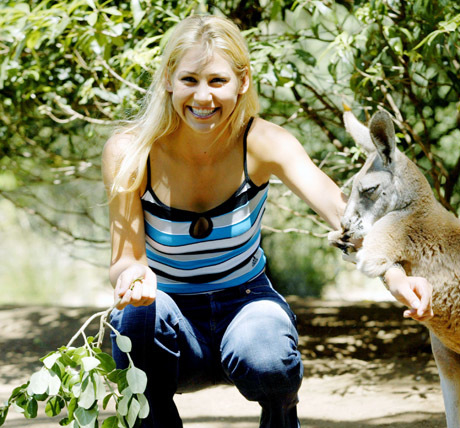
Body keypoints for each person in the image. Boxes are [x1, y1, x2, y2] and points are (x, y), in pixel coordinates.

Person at [102, 15, 434, 428]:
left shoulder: (266, 144)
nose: (203, 97)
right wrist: (132, 276)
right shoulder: (130, 151)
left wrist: (398, 279)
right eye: (190, 79)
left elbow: (343, 215)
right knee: (133, 323)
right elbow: (124, 258)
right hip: (168, 316)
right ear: (169, 79)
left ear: (242, 82)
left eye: (217, 81)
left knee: (270, 360)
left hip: (245, 304)